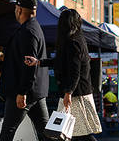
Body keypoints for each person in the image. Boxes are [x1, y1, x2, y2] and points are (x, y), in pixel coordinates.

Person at [25, 9, 102, 141]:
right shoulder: (75, 40)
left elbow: (75, 70)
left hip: (76, 94)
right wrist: (38, 62)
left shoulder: (73, 42)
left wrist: (68, 93)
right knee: (70, 133)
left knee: (76, 133)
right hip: (75, 92)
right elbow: (61, 62)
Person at [0, 0, 49, 141]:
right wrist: (3, 83)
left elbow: (29, 66)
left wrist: (22, 92)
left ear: (19, 10)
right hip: (34, 91)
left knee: (7, 133)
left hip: (23, 92)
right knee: (47, 134)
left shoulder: (28, 32)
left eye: (16, 7)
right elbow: (19, 65)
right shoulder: (33, 28)